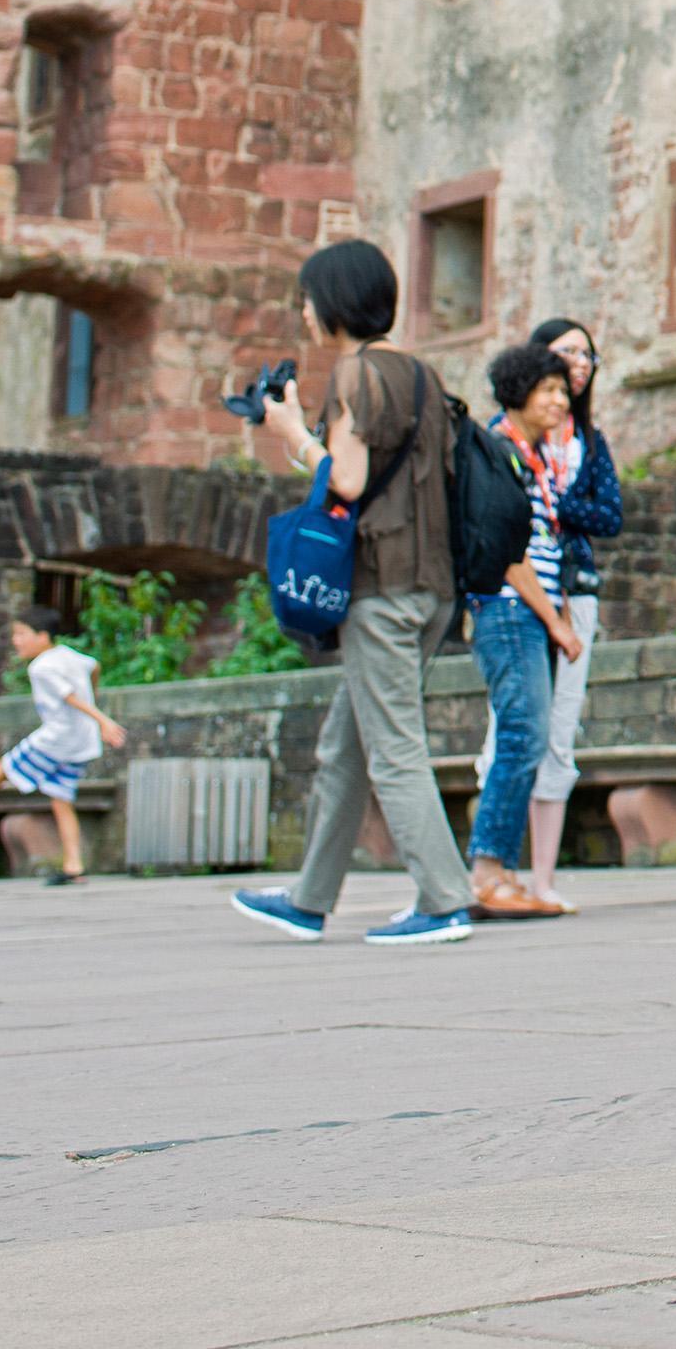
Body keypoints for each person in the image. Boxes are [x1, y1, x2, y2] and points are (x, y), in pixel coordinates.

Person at [231, 238, 477, 947]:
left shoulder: (356, 375)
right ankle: (309, 899)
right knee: (346, 744)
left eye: (307, 299)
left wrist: (289, 434)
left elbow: (344, 480)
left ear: (334, 300)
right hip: (430, 586)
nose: (304, 313)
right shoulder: (423, 376)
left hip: (381, 588)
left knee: (394, 746)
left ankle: (443, 898)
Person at [492, 315, 623, 908]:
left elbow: (611, 515)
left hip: (575, 586)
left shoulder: (587, 441)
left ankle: (539, 877)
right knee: (513, 731)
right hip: (522, 597)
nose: (578, 364)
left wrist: (562, 511)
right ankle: (494, 867)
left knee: (557, 733)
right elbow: (505, 530)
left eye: (587, 356)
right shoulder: (508, 444)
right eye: (567, 353)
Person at [462, 344, 583, 919]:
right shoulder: (497, 452)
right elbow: (506, 551)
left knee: (527, 737)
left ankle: (503, 874)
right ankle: (487, 872)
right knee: (520, 734)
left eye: (564, 390)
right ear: (518, 392)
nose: (562, 400)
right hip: (510, 609)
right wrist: (556, 621)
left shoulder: (532, 455)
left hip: (526, 611)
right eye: (549, 390)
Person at [0, 604, 128, 885]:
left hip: (57, 737)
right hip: (81, 740)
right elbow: (95, 667)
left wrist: (101, 718)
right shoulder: (68, 656)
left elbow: (69, 696)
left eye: (21, 634)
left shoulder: (41, 667)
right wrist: (93, 699)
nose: (15, 641)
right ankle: (74, 864)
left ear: (42, 636)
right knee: (61, 800)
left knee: (7, 767)